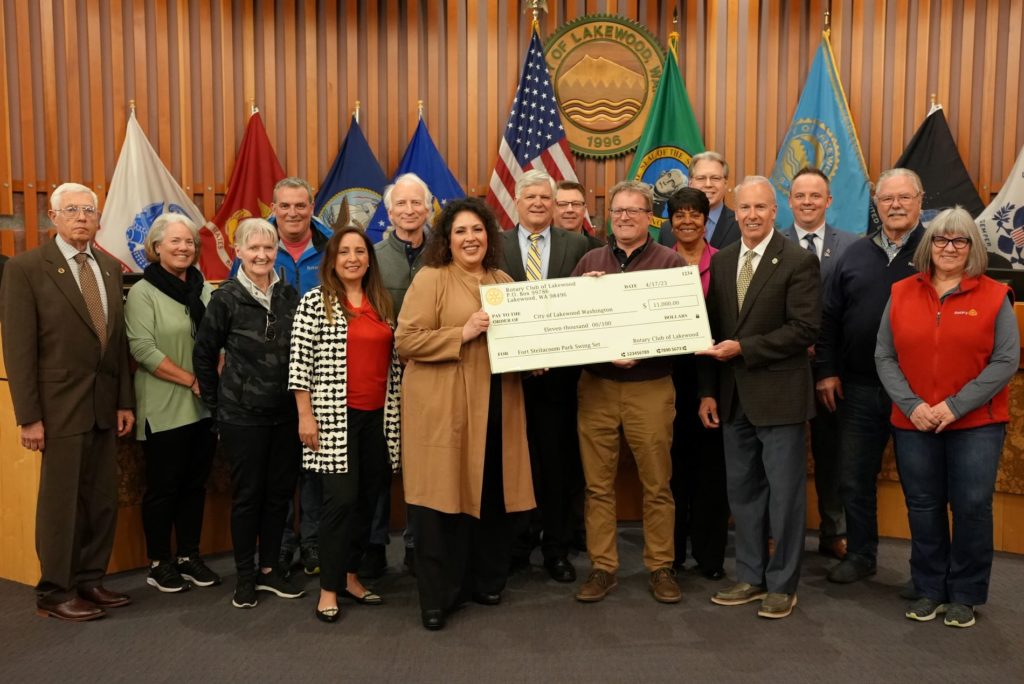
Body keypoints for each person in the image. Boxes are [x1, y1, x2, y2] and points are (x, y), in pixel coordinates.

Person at [395, 197, 534, 631]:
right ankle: (438, 598)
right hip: (444, 412)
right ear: (447, 239)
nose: (470, 238)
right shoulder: (430, 278)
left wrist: (537, 354)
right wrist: (463, 332)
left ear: (489, 237)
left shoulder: (504, 279)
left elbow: (524, 336)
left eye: (477, 230)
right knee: (441, 506)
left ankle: (486, 581)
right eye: (461, 231)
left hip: (496, 406)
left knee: (491, 495)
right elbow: (406, 341)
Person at [875, 207, 1018, 628]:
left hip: (976, 424)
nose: (949, 248)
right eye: (941, 240)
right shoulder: (901, 292)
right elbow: (884, 354)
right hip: (914, 421)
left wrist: (953, 406)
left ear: (973, 247)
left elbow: (1005, 360)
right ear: (929, 245)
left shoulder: (994, 296)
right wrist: (913, 405)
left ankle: (966, 593)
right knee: (923, 505)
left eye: (959, 241)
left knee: (971, 506)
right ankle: (929, 587)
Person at [0, 182, 134, 621]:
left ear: (98, 219)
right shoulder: (26, 268)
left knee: (101, 499)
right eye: (71, 209)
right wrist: (29, 418)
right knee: (61, 502)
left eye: (88, 210)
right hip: (57, 408)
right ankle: (55, 593)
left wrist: (123, 402)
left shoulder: (110, 268)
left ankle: (89, 579)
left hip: (102, 405)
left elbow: (116, 347)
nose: (81, 216)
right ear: (53, 217)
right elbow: (18, 349)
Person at [697, 176, 820, 620]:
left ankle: (783, 584)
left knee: (785, 496)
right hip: (733, 400)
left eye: (760, 208)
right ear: (735, 210)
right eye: (744, 208)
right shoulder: (725, 259)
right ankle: (750, 577)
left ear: (775, 211)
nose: (751, 215)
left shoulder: (798, 261)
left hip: (781, 397)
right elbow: (711, 332)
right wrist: (708, 391)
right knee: (744, 493)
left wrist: (744, 349)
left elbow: (804, 330)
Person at [570, 180, 684, 605]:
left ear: (648, 216)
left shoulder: (670, 263)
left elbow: (682, 331)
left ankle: (660, 567)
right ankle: (603, 567)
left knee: (657, 484)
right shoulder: (589, 262)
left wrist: (642, 350)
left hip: (650, 387)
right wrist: (585, 297)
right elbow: (569, 327)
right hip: (597, 387)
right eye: (617, 211)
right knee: (597, 485)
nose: (624, 218)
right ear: (608, 216)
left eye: (633, 211)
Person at [817, 168, 925, 585]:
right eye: (886, 199)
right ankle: (861, 555)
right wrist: (826, 371)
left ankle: (925, 571)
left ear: (919, 201)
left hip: (917, 392)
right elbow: (830, 319)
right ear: (875, 204)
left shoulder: (937, 250)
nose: (894, 205)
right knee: (854, 479)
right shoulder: (855, 254)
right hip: (859, 387)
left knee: (921, 486)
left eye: (903, 198)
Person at [289, 227, 403, 623]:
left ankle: (352, 577)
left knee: (368, 503)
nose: (353, 258)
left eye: (360, 251)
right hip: (335, 421)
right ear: (332, 261)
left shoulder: (381, 304)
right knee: (339, 505)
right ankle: (329, 589)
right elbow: (299, 366)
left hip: (378, 422)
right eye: (344, 252)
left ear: (369, 259)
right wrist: (305, 416)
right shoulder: (315, 303)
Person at [193, 218, 305, 609]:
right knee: (248, 497)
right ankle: (245, 575)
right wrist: (217, 406)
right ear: (238, 251)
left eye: (268, 248)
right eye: (252, 248)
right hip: (242, 417)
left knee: (279, 497)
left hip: (287, 415)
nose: (261, 255)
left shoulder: (290, 295)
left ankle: (270, 571)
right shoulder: (224, 298)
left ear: (276, 252)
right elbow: (204, 356)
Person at [229, 177, 334, 577]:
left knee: (312, 467)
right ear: (273, 205)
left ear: (312, 207)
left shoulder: (329, 247)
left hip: (318, 377)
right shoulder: (257, 244)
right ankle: (280, 546)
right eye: (285, 205)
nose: (293, 213)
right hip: (265, 384)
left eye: (301, 205)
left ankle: (311, 543)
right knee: (277, 474)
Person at [499, 170, 591, 583]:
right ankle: (517, 546)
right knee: (512, 464)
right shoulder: (495, 245)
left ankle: (555, 549)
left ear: (555, 204)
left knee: (556, 468)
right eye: (530, 196)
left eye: (545, 197)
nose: (538, 203)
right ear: (515, 202)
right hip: (509, 378)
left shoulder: (578, 244)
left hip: (560, 379)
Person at [125, 213, 219, 593]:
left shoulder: (204, 287)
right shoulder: (143, 292)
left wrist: (215, 370)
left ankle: (189, 556)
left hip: (203, 405)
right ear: (156, 247)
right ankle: (160, 561)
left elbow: (219, 335)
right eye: (175, 242)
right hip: (165, 404)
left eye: (190, 243)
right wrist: (193, 380)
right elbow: (143, 350)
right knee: (164, 488)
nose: (184, 248)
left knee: (195, 485)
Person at [780, 167, 859, 561]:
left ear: (829, 201)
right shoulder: (771, 244)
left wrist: (827, 358)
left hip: (834, 371)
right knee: (782, 457)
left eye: (816, 196)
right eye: (800, 195)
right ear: (789, 201)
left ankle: (834, 530)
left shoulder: (853, 246)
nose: (807, 202)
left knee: (833, 455)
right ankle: (781, 534)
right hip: (783, 368)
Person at [368, 172, 433, 578]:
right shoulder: (371, 256)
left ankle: (418, 544)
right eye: (401, 205)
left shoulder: (444, 255)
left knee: (424, 462)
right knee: (377, 462)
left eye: (416, 203)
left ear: (429, 209)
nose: (409, 211)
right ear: (389, 212)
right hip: (381, 377)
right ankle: (374, 544)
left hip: (431, 373)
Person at [664, 188, 729, 580]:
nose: (687, 221)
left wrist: (711, 389)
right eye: (679, 214)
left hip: (714, 381)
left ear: (707, 220)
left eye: (695, 214)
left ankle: (709, 556)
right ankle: (670, 555)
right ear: (669, 221)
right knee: (671, 471)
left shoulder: (725, 263)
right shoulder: (657, 264)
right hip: (667, 378)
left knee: (711, 472)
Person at [659, 151, 740, 249]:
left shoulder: (740, 225)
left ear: (725, 183)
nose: (708, 184)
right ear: (690, 183)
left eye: (715, 178)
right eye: (701, 178)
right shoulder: (667, 229)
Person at [554, 180, 603, 249]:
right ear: (552, 209)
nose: (570, 210)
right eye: (563, 204)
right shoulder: (538, 247)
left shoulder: (600, 250)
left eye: (576, 204)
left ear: (584, 209)